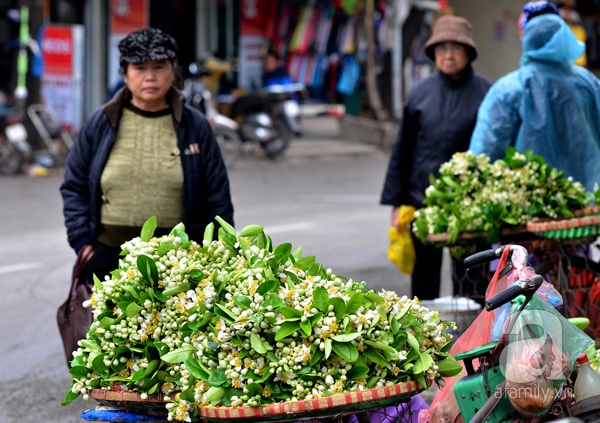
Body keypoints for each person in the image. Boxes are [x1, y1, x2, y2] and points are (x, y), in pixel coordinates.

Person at [59, 27, 234, 359]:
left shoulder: (195, 127)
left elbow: (217, 198)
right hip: (107, 258)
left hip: (180, 268)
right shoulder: (101, 123)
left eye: (159, 67)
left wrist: (216, 258)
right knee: (113, 357)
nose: (150, 77)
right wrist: (83, 244)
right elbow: (75, 187)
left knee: (173, 360)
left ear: (174, 71)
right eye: (140, 68)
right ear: (125, 73)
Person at [380, 16, 492, 301]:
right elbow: (402, 151)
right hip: (422, 200)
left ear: (469, 52)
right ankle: (425, 338)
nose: (449, 55)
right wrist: (397, 202)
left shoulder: (487, 93)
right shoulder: (420, 93)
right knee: (424, 281)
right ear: (433, 53)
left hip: (469, 204)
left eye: (456, 48)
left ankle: (475, 338)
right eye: (442, 49)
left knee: (473, 280)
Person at [469, 6, 600, 193]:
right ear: (564, 36)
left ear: (527, 40)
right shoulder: (589, 83)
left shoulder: (508, 89)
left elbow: (484, 153)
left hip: (531, 209)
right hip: (590, 207)